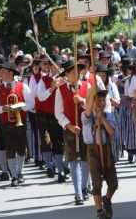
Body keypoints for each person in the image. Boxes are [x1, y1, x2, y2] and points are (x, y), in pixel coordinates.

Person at [0, 62, 34, 187]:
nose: (1, 73)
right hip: (6, 123)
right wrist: (2, 109)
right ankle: (14, 176)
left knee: (21, 148)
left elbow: (31, 103)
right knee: (10, 149)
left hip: (19, 121)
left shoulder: (23, 86)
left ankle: (20, 172)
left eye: (3, 71)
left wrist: (23, 107)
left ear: (11, 73)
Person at [55, 60, 90, 205]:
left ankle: (85, 187)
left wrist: (82, 100)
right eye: (74, 71)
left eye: (79, 71)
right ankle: (78, 193)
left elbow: (93, 106)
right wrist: (69, 126)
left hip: (87, 128)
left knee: (86, 159)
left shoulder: (88, 86)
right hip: (71, 130)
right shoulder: (60, 89)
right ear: (67, 74)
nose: (78, 74)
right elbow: (58, 113)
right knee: (74, 159)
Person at [82, 87, 118, 219]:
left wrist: (102, 117)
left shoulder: (109, 116)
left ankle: (107, 200)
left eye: (103, 100)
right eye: (99, 100)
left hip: (107, 150)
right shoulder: (87, 117)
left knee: (113, 184)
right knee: (96, 183)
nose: (102, 103)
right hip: (93, 151)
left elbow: (112, 132)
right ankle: (99, 212)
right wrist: (92, 96)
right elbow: (87, 114)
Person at [37, 54, 68, 182]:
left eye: (60, 65)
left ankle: (66, 166)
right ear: (49, 67)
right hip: (52, 115)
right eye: (56, 65)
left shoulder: (66, 78)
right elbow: (40, 97)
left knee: (68, 142)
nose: (58, 67)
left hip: (67, 113)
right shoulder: (43, 80)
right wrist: (51, 89)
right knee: (56, 143)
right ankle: (60, 171)